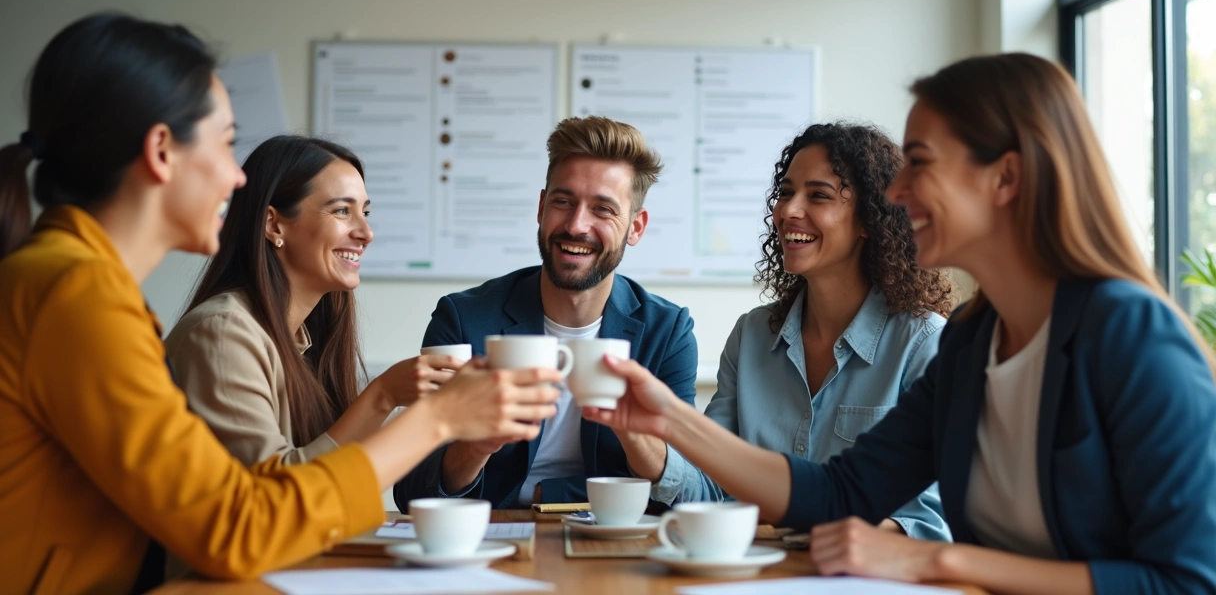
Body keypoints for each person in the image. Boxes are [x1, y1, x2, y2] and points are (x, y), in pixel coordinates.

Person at [583, 53, 1216, 594]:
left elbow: (1186, 580)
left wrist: (938, 559)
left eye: (919, 162)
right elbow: (838, 494)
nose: (898, 190)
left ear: (1006, 177)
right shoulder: (973, 341)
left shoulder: (1129, 334)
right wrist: (667, 418)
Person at [0, 13, 560, 594]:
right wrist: (438, 419)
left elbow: (225, 505)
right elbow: (237, 524)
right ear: (162, 152)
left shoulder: (73, 285)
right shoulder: (76, 296)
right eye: (224, 145)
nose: (236, 179)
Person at [649, 122, 952, 542]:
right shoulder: (751, 336)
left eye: (819, 195)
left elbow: (931, 521)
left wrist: (823, 527)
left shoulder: (924, 343)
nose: (789, 210)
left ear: (870, 219)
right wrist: (648, 443)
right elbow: (712, 488)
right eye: (786, 192)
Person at [394, 116, 698, 508]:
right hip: (490, 543)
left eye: (603, 209)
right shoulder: (463, 319)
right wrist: (476, 446)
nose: (576, 225)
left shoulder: (666, 331)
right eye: (563, 202)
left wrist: (629, 434)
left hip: (616, 546)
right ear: (541, 207)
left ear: (635, 228)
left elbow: (693, 492)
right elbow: (411, 491)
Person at [166, 135, 459, 466]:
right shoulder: (222, 333)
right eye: (342, 210)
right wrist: (383, 396)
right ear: (274, 224)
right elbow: (272, 496)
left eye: (364, 212)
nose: (366, 232)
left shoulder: (304, 339)